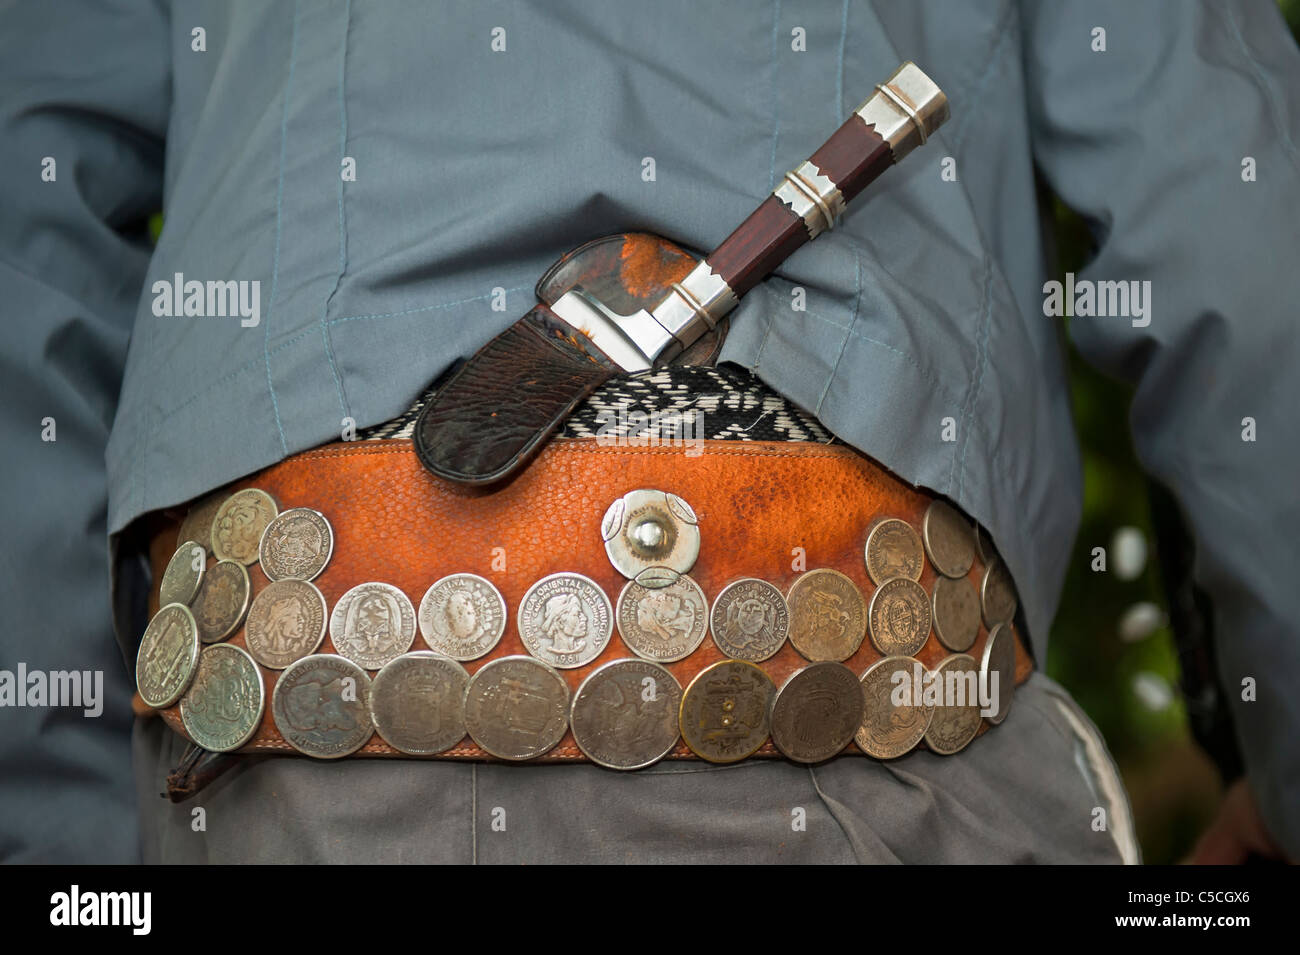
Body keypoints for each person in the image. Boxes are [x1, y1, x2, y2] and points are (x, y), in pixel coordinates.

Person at [1, 0, 1295, 864]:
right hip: (863, 750)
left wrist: (69, 848)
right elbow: (1238, 233)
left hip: (277, 740)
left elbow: (23, 255)